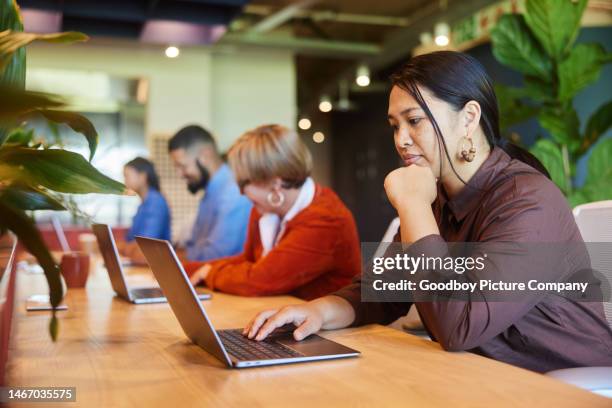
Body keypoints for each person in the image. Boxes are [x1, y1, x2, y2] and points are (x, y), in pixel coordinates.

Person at [242, 51, 612, 372]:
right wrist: (318, 312)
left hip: (564, 384)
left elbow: (457, 326)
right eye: (394, 125)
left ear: (469, 118)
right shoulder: (436, 196)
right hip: (483, 376)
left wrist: (413, 206)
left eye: (414, 121)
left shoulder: (527, 199)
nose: (401, 140)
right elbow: (380, 291)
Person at [186, 124, 361, 300]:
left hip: (332, 326)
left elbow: (260, 280)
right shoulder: (265, 209)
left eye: (243, 184)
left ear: (275, 183)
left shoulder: (326, 219)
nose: (240, 193)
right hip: (286, 315)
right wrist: (184, 270)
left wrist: (210, 274)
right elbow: (249, 261)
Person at [168, 125, 252, 261]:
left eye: (182, 166)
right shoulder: (210, 193)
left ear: (205, 155)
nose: (180, 174)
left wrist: (166, 258)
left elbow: (216, 255)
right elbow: (193, 245)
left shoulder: (233, 192)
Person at [120, 157, 171, 264]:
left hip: (155, 267)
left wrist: (122, 247)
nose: (124, 181)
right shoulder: (143, 204)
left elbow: (144, 247)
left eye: (127, 176)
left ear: (142, 176)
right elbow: (131, 241)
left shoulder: (156, 202)